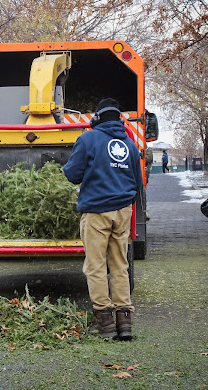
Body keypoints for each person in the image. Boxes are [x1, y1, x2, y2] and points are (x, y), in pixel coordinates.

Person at [64, 98, 143, 341]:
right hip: (122, 211)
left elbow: (72, 174)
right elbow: (138, 183)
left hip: (97, 212)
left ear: (96, 118)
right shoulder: (129, 145)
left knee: (96, 266)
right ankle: (125, 321)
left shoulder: (88, 140)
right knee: (119, 265)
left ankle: (105, 321)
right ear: (119, 119)